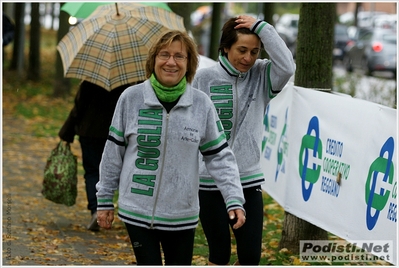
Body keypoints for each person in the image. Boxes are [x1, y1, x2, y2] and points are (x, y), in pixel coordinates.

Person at [95, 30, 246, 266]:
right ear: (153, 59)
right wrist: (104, 200)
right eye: (164, 55)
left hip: (181, 215)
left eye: (180, 56)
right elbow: (113, 154)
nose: (171, 62)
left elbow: (220, 157)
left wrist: (234, 198)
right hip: (137, 211)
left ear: (189, 63)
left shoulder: (201, 104)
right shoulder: (131, 98)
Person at [192, 15, 296, 265]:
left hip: (248, 180)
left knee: (250, 258)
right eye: (241, 50)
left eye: (254, 51)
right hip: (209, 182)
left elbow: (288, 67)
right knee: (219, 255)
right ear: (225, 47)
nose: (248, 58)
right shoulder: (202, 79)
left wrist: (263, 28)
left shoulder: (262, 76)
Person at [59, 81, 131, 231]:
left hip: (90, 131)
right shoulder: (127, 85)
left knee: (92, 172)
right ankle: (126, 212)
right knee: (120, 171)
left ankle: (95, 210)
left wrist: (67, 133)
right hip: (116, 134)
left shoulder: (90, 82)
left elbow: (78, 109)